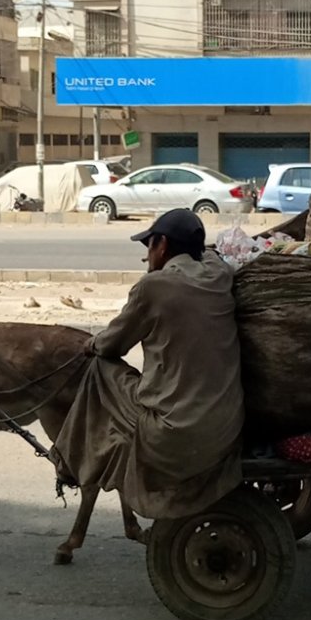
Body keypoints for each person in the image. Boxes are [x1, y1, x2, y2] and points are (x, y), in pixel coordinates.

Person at [54, 207, 244, 520]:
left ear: (163, 246)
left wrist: (92, 344)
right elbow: (210, 255)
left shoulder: (153, 287)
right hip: (227, 424)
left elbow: (111, 344)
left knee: (99, 368)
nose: (147, 256)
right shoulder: (219, 275)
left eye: (149, 246)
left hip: (178, 429)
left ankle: (70, 461)